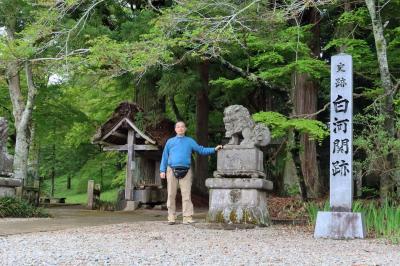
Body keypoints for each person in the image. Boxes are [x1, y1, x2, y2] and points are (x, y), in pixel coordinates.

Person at [160, 121, 223, 225]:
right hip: (171, 170)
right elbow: (164, 156)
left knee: (186, 195)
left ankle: (187, 217)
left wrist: (214, 149)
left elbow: (201, 150)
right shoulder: (170, 142)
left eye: (182, 127)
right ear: (175, 129)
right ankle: (171, 216)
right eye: (178, 127)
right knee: (171, 194)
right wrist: (162, 170)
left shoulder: (190, 141)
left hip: (186, 170)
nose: (180, 128)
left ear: (185, 129)